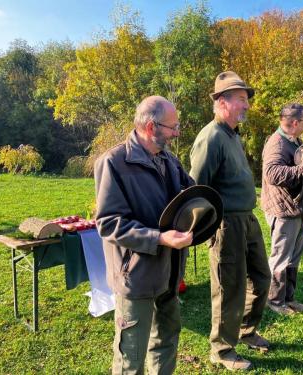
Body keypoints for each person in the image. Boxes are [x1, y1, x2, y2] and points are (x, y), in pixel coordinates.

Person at [94, 96, 194, 374]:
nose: (176, 133)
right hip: (136, 274)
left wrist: (202, 211)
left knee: (166, 340)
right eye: (173, 127)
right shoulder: (114, 162)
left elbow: (190, 193)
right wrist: (159, 238)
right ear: (151, 127)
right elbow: (108, 223)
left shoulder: (169, 160)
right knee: (131, 355)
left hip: (171, 268)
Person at [190, 71, 271, 371]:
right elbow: (196, 187)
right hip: (226, 224)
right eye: (240, 99)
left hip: (247, 220)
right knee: (229, 288)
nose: (246, 105)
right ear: (222, 102)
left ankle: (246, 331)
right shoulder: (211, 137)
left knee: (261, 278)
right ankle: (222, 350)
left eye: (246, 100)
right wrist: (208, 228)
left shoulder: (232, 135)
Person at [261, 103, 303, 315]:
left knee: (293, 258)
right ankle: (275, 301)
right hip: (284, 211)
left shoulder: (294, 140)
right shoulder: (277, 144)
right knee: (281, 258)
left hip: (297, 209)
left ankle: (288, 298)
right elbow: (272, 174)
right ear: (295, 123)